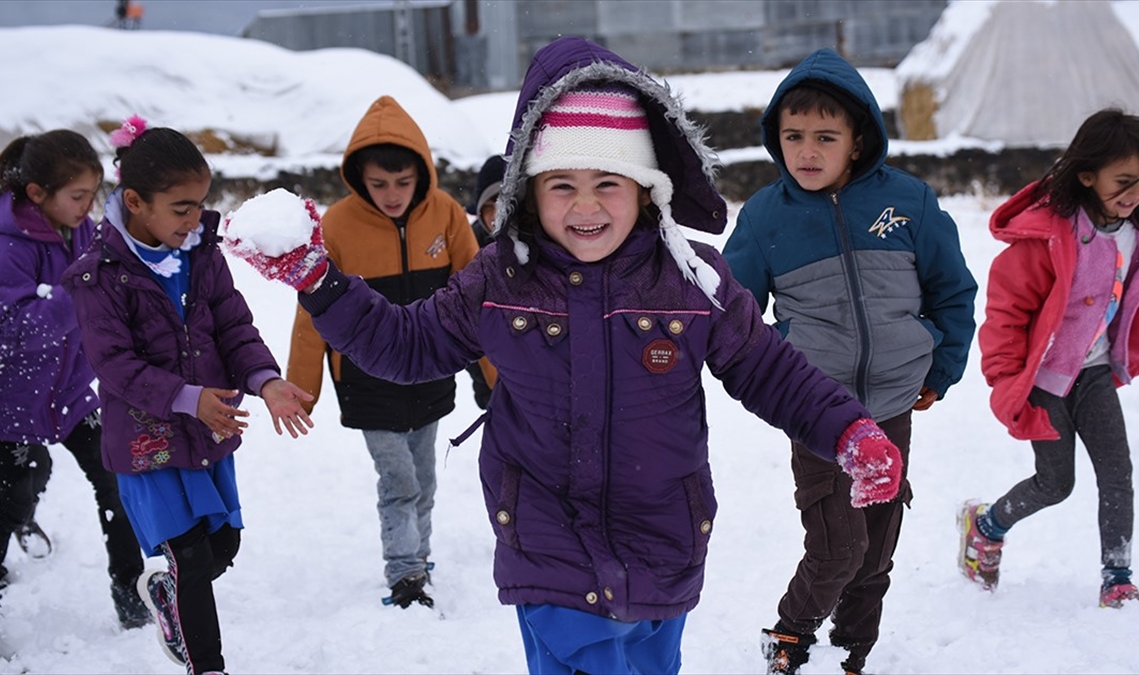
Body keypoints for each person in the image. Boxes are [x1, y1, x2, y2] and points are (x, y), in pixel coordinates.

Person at [234, 36, 905, 675]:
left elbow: (769, 369)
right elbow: (408, 346)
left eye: (608, 182)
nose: (585, 205)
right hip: (546, 539)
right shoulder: (499, 278)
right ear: (529, 190)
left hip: (663, 536)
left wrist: (847, 427)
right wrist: (319, 281)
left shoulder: (691, 279)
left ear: (646, 188)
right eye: (561, 184)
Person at [722, 47, 978, 675]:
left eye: (824, 137)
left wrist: (938, 371)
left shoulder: (909, 203)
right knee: (839, 546)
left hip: (893, 404)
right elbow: (730, 316)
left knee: (876, 553)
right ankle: (788, 635)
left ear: (858, 141)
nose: (806, 151)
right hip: (817, 412)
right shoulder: (763, 218)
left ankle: (853, 653)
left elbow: (953, 291)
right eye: (793, 137)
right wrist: (774, 380)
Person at [62, 117, 314, 674]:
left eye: (201, 204)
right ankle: (210, 665)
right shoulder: (97, 275)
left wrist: (266, 382)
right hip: (147, 441)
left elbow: (234, 327)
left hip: (206, 430)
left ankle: (168, 596)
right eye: (181, 207)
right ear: (134, 201)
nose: (195, 218)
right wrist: (186, 396)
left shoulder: (202, 254)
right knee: (192, 560)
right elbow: (116, 366)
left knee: (222, 547)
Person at [960, 109, 1139, 610]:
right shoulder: (1051, 236)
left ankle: (1117, 577)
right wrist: (1003, 379)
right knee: (1055, 483)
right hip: (1045, 381)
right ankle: (986, 524)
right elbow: (1006, 310)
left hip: (1095, 374)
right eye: (1123, 182)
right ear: (1087, 175)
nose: (1134, 194)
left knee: (1117, 473)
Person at [284, 95, 479, 609]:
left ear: (422, 173)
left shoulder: (448, 216)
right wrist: (301, 389)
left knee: (426, 478)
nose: (391, 195)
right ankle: (405, 573)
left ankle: (421, 555)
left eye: (402, 183)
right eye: (378, 184)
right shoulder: (336, 227)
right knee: (398, 481)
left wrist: (499, 375)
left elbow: (481, 300)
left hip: (433, 373)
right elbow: (312, 314)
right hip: (366, 380)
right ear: (358, 179)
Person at [0, 129, 150, 627]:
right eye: (77, 196)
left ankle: (132, 592)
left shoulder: (80, 228)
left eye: (92, 195)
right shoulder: (3, 246)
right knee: (15, 488)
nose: (87, 207)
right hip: (10, 401)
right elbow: (7, 331)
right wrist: (75, 297)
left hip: (75, 393)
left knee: (119, 480)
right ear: (38, 194)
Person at [463, 154, 506, 409]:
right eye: (491, 204)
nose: (499, 213)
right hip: (486, 368)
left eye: (508, 201)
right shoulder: (468, 245)